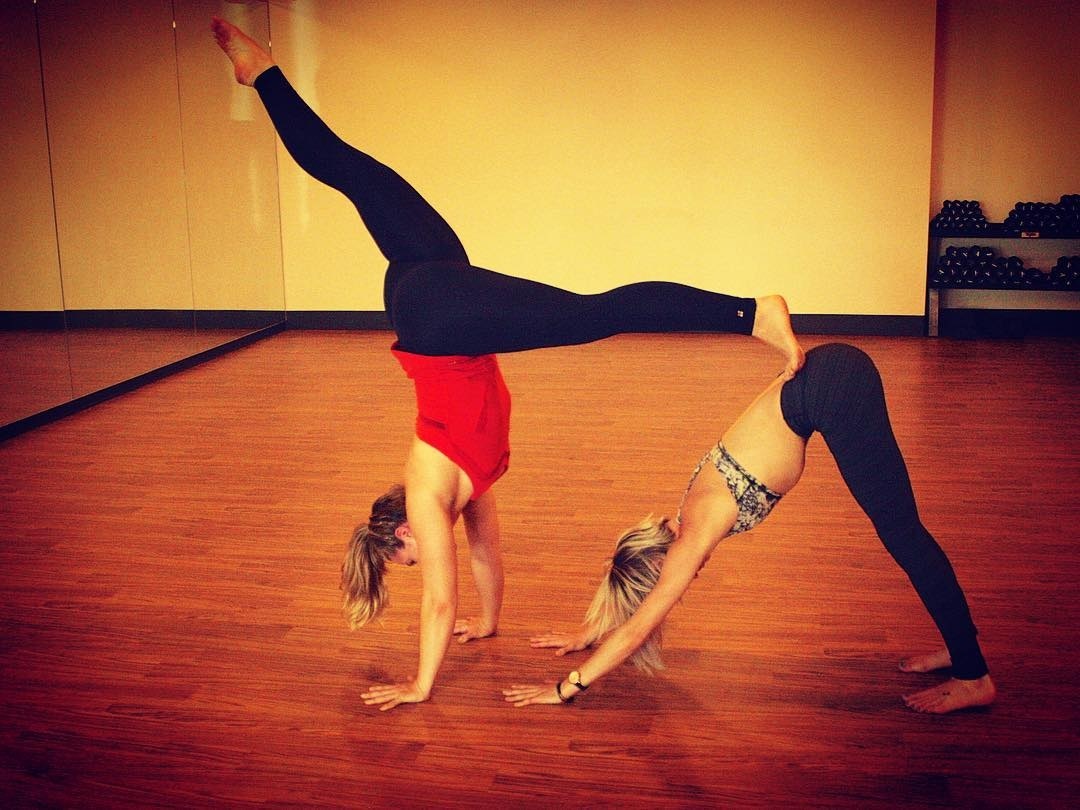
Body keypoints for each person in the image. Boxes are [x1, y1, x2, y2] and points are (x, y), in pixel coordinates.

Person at [212, 17, 805, 712]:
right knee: (347, 168)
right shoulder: (470, 487)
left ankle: (751, 314)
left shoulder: (429, 492)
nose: (423, 558)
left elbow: (439, 600)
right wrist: (490, 621)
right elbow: (486, 557)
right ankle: (262, 72)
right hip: (430, 290)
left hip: (438, 320)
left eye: (408, 556)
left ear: (403, 531)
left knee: (594, 314)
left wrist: (420, 686)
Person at [505, 343, 996, 714]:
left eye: (666, 581)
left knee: (903, 534)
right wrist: (589, 630)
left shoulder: (695, 532)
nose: (681, 585)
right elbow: (636, 602)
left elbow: (639, 628)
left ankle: (974, 676)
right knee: (903, 532)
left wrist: (565, 688)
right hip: (830, 373)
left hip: (835, 388)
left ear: (662, 562)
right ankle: (961, 648)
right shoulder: (684, 513)